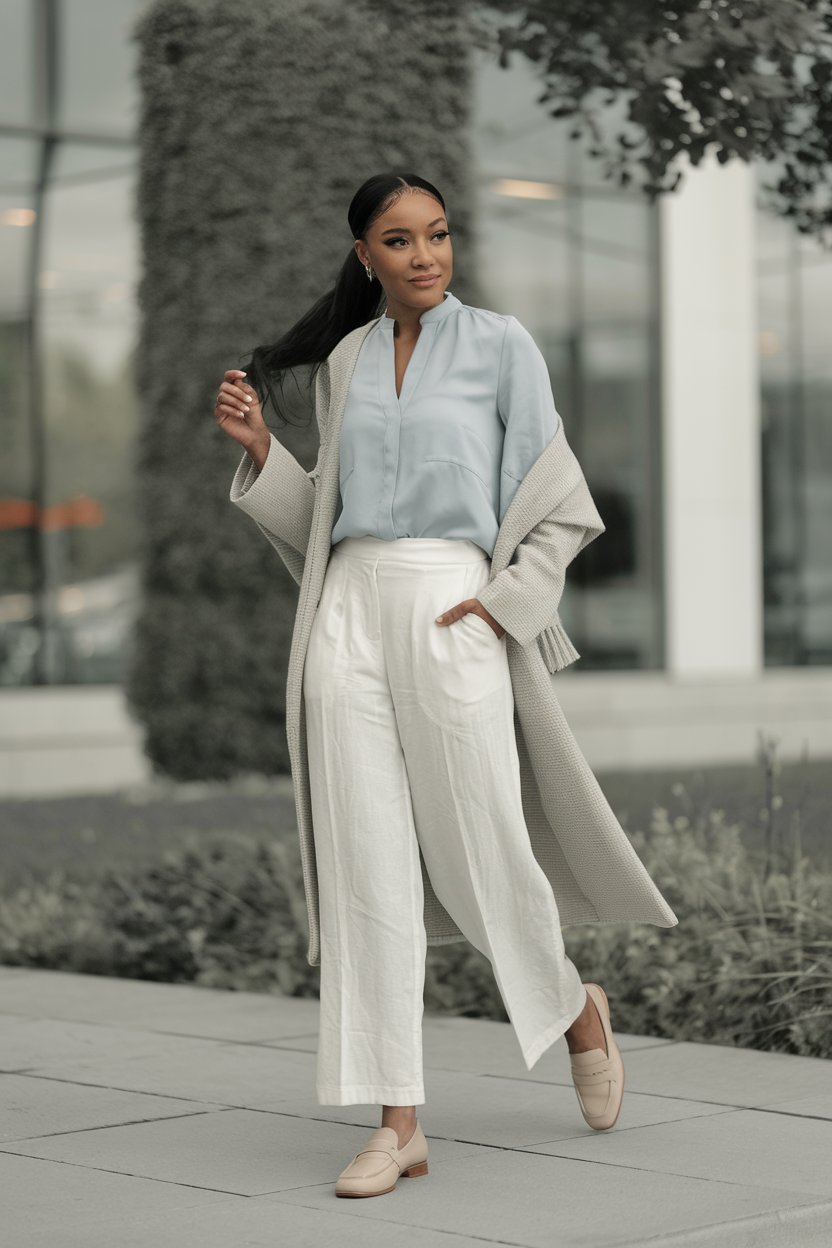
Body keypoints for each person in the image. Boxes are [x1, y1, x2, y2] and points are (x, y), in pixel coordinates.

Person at [216, 171, 662, 1199]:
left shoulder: (500, 345)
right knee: (366, 867)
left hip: (452, 604)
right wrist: (264, 455)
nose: (425, 255)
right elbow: (323, 526)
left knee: (480, 845)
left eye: (438, 235)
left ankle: (572, 1008)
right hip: (348, 615)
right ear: (365, 255)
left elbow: (557, 507)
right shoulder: (344, 360)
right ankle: (398, 1122)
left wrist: (503, 603)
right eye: (399, 240)